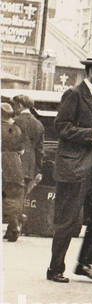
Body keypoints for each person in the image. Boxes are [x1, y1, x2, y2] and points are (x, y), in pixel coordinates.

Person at [48, 54, 92, 283]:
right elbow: (61, 127)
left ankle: (85, 263)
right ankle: (55, 268)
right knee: (68, 220)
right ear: (89, 71)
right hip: (75, 166)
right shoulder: (74, 94)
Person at [11, 95, 45, 240]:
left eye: (14, 105)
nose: (13, 108)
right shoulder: (39, 124)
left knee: (11, 196)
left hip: (13, 162)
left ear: (19, 105)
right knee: (21, 196)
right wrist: (39, 169)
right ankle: (15, 224)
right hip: (30, 166)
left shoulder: (14, 122)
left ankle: (14, 226)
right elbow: (40, 149)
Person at [2, 102, 28, 242]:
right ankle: (15, 224)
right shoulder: (16, 129)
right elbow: (22, 150)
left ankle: (14, 224)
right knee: (12, 196)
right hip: (15, 165)